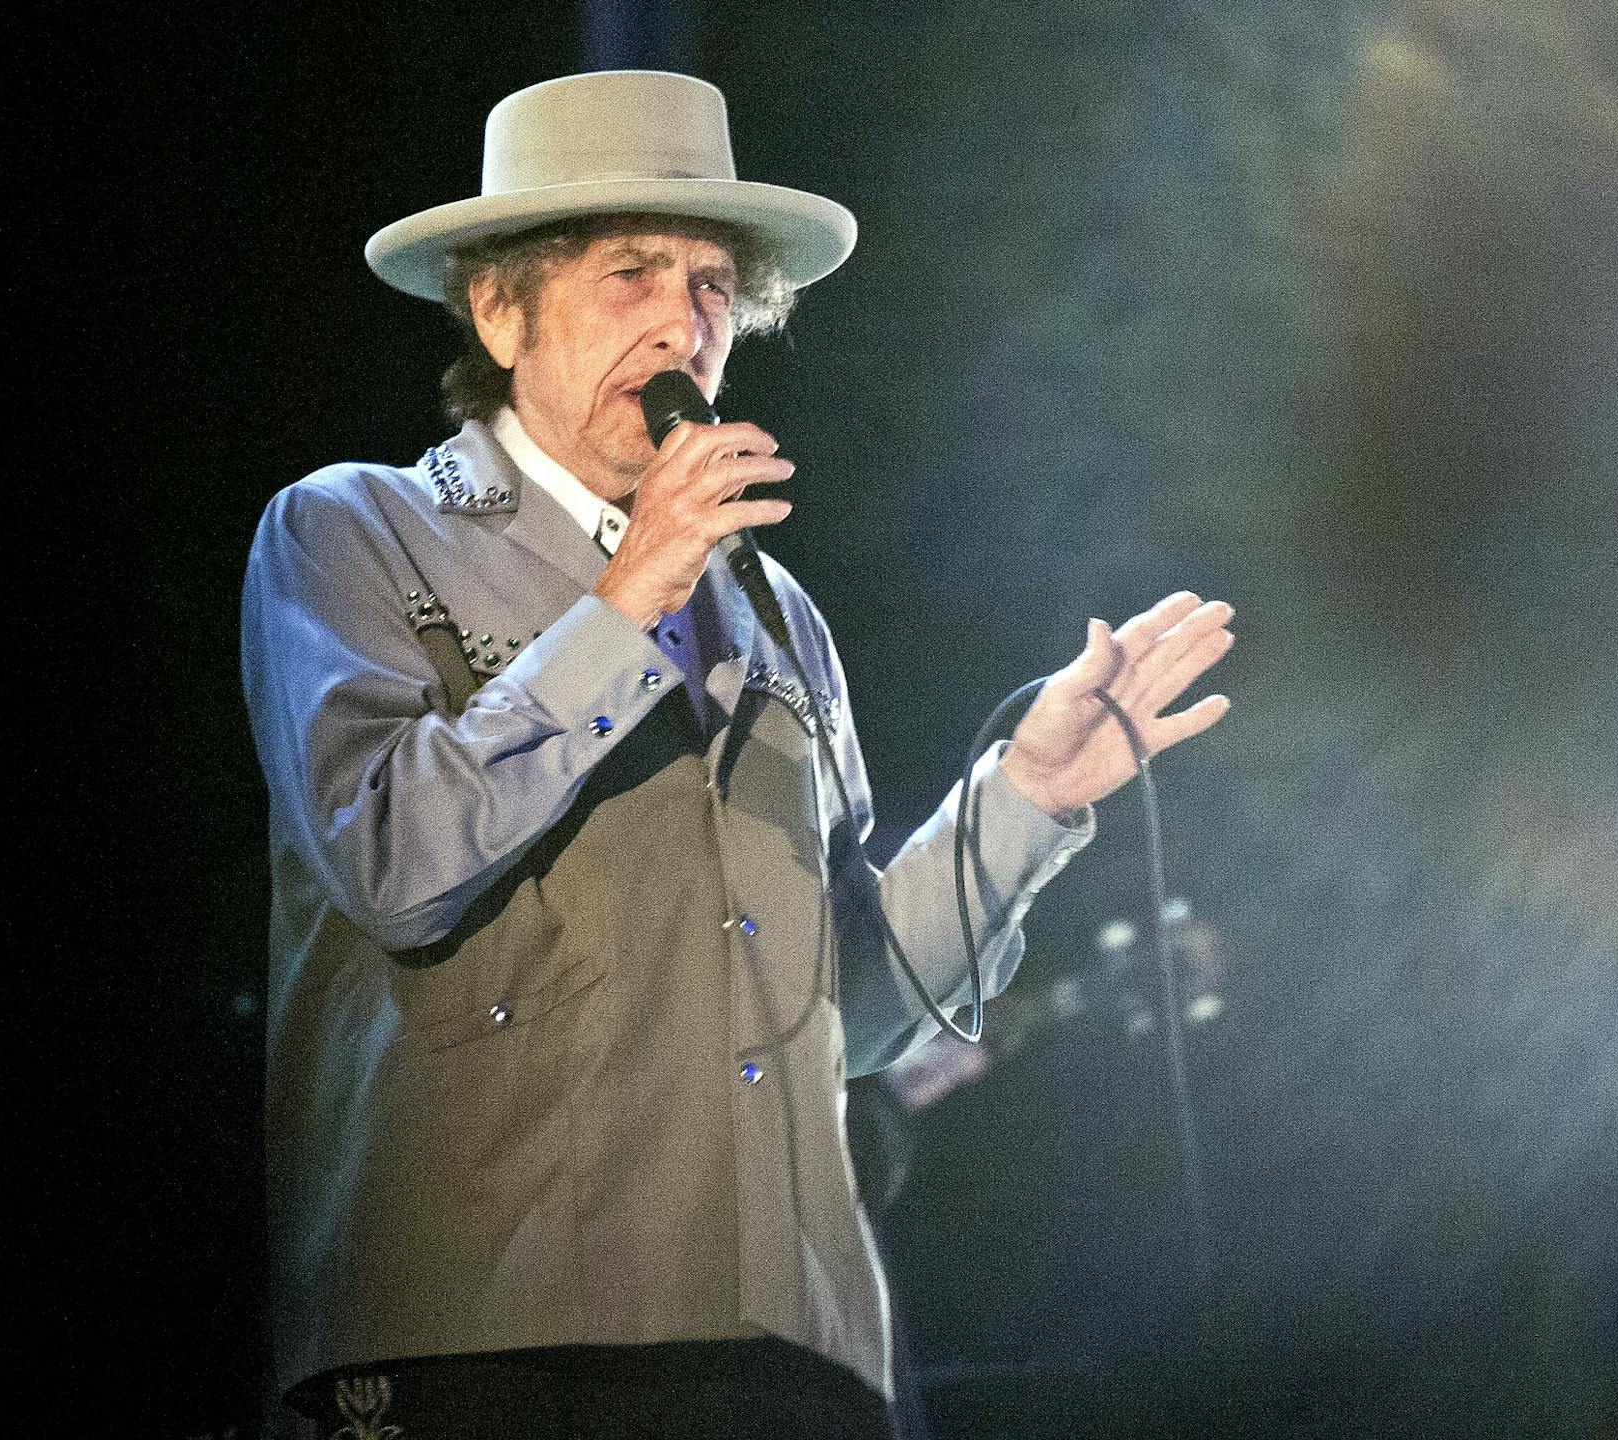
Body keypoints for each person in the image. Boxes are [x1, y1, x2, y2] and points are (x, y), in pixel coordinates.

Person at [240, 70, 1236, 1439]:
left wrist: (1024, 801)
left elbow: (849, 1018)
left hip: (789, 1343)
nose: (683, 323)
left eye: (713, 287)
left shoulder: (773, 612)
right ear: (500, 307)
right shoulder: (357, 530)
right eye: (631, 274)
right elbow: (395, 861)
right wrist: (622, 601)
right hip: (495, 1329)